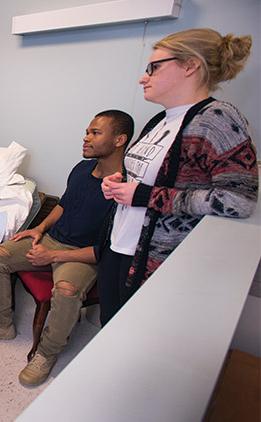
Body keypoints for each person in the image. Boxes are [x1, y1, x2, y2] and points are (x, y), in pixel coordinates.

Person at [99, 28, 258, 326]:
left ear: (190, 65)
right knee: (110, 327)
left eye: (154, 68)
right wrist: (118, 181)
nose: (143, 77)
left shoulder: (217, 119)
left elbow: (238, 200)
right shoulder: (160, 120)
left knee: (136, 335)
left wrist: (146, 196)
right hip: (119, 243)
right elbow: (149, 176)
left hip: (154, 257)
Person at [0, 110, 134, 387]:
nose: (86, 137)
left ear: (119, 139)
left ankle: (46, 353)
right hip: (52, 239)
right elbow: (63, 205)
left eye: (95, 133)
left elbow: (106, 249)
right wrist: (39, 229)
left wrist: (55, 255)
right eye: (87, 131)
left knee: (67, 291)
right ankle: (3, 324)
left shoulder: (124, 186)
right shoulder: (82, 169)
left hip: (82, 255)